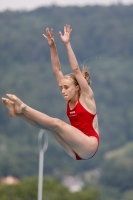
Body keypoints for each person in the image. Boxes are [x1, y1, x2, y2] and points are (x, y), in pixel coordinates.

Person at [2, 24, 99, 160]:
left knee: (57, 123)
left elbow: (76, 70)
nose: (63, 91)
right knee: (49, 126)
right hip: (74, 151)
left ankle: (23, 107)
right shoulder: (68, 98)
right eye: (61, 88)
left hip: (89, 145)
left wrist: (67, 43)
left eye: (66, 88)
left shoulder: (87, 97)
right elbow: (56, 70)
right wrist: (52, 46)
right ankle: (19, 113)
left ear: (77, 87)